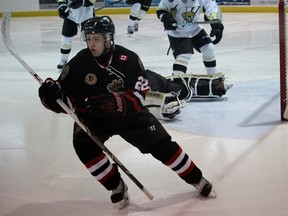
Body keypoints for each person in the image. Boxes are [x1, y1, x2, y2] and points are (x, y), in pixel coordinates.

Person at [38, 16, 216, 209]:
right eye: (88, 39)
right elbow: (67, 101)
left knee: (163, 146)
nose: (91, 44)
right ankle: (116, 186)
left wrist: (116, 103)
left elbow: (140, 95)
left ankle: (196, 178)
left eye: (96, 38)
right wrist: (51, 96)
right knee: (83, 146)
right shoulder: (79, 63)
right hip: (93, 116)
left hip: (130, 116)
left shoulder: (128, 58)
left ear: (108, 38)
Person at [156, 0, 224, 75]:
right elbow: (161, 10)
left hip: (194, 29)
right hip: (177, 32)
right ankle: (177, 84)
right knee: (184, 55)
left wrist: (217, 26)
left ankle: (213, 78)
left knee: (209, 49)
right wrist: (166, 17)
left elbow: (211, 8)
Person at [56, 0, 96, 69]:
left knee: (90, 38)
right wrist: (62, 5)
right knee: (66, 38)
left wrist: (82, 2)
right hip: (70, 14)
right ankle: (63, 60)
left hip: (87, 13)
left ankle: (93, 59)